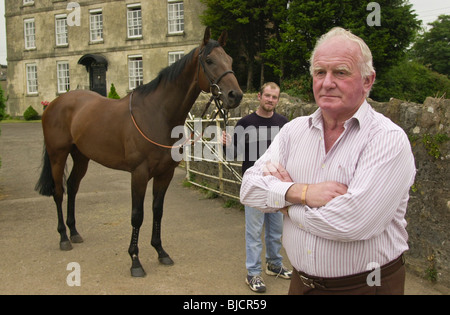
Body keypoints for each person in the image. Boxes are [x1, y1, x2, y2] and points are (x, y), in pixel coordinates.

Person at [240, 28, 416, 295]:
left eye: (341, 72)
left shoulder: (387, 139)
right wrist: (302, 192)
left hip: (365, 287)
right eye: (320, 72)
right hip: (301, 285)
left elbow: (353, 222)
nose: (327, 82)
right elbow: (248, 189)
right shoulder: (293, 131)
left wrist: (285, 205)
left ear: (368, 81)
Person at [222, 82, 292, 293]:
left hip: (277, 187)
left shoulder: (284, 124)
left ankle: (274, 265)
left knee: (276, 231)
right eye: (267, 95)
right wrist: (226, 145)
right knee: (254, 233)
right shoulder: (245, 123)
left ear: (277, 100)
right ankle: (253, 273)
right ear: (260, 97)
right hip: (255, 186)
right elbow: (232, 155)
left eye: (275, 97)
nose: (271, 100)